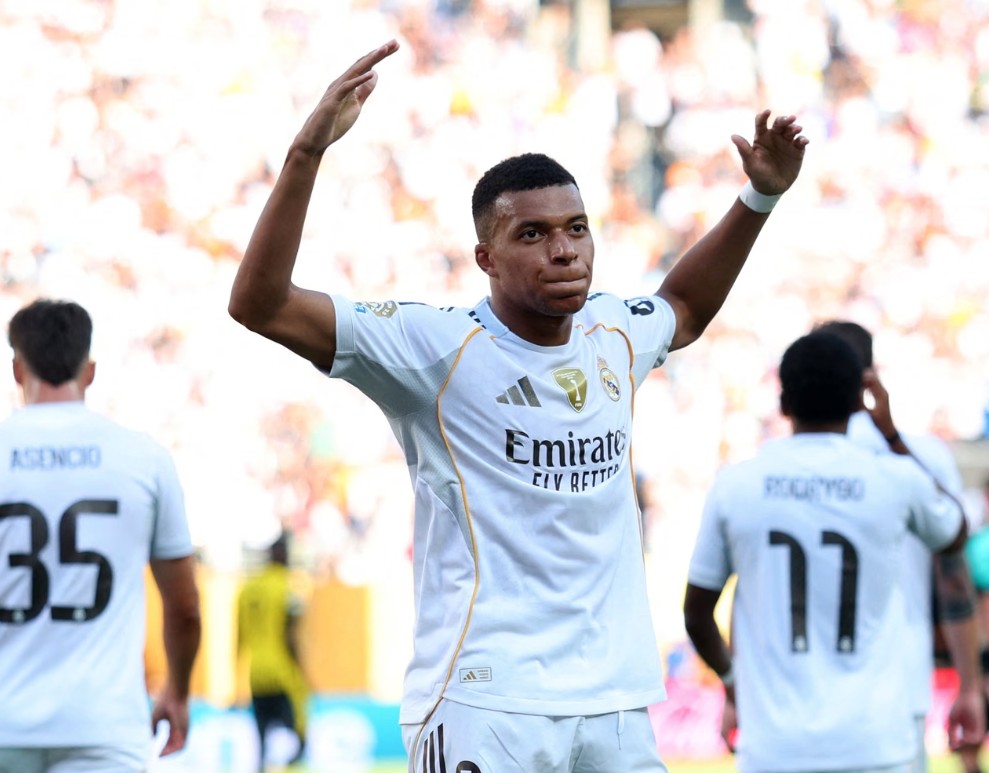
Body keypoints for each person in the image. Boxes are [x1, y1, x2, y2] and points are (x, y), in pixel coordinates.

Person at [228, 38, 808, 771]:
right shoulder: (433, 349)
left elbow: (684, 306)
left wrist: (758, 198)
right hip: (486, 699)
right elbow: (260, 303)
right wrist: (307, 153)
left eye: (575, 228)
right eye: (531, 234)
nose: (563, 250)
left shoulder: (613, 334)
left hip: (614, 700)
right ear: (486, 258)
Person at [682, 331, 984, 773]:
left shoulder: (735, 484)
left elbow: (696, 613)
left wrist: (732, 684)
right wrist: (892, 436)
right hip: (876, 744)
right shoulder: (896, 479)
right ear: (860, 400)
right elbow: (954, 531)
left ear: (783, 404)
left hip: (774, 746)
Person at [0, 299, 201, 772]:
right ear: (89, 371)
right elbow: (185, 607)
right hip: (103, 729)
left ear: (17, 370)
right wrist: (177, 691)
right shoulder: (144, 459)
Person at [815, 319, 977, 773]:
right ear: (869, 378)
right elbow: (953, 573)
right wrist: (969, 684)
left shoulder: (776, 468)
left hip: (807, 686)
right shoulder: (926, 458)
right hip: (899, 684)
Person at [237, 532, 309, 771]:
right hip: (283, 674)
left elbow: (239, 638)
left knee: (262, 744)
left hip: (256, 675)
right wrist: (302, 670)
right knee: (298, 741)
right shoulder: (288, 586)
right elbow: (291, 635)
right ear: (282, 554)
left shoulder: (247, 590)